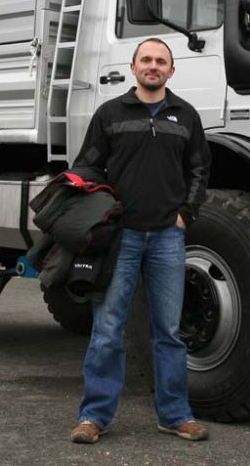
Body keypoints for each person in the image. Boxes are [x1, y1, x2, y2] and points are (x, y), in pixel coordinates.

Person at [70, 38, 211, 444]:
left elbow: (200, 170)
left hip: (168, 236)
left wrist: (187, 214)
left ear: (171, 70)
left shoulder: (185, 116)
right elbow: (87, 168)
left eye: (161, 61)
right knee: (108, 328)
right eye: (146, 60)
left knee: (168, 330)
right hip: (122, 238)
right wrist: (99, 215)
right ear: (133, 68)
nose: (153, 66)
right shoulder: (110, 113)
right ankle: (94, 416)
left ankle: (175, 414)